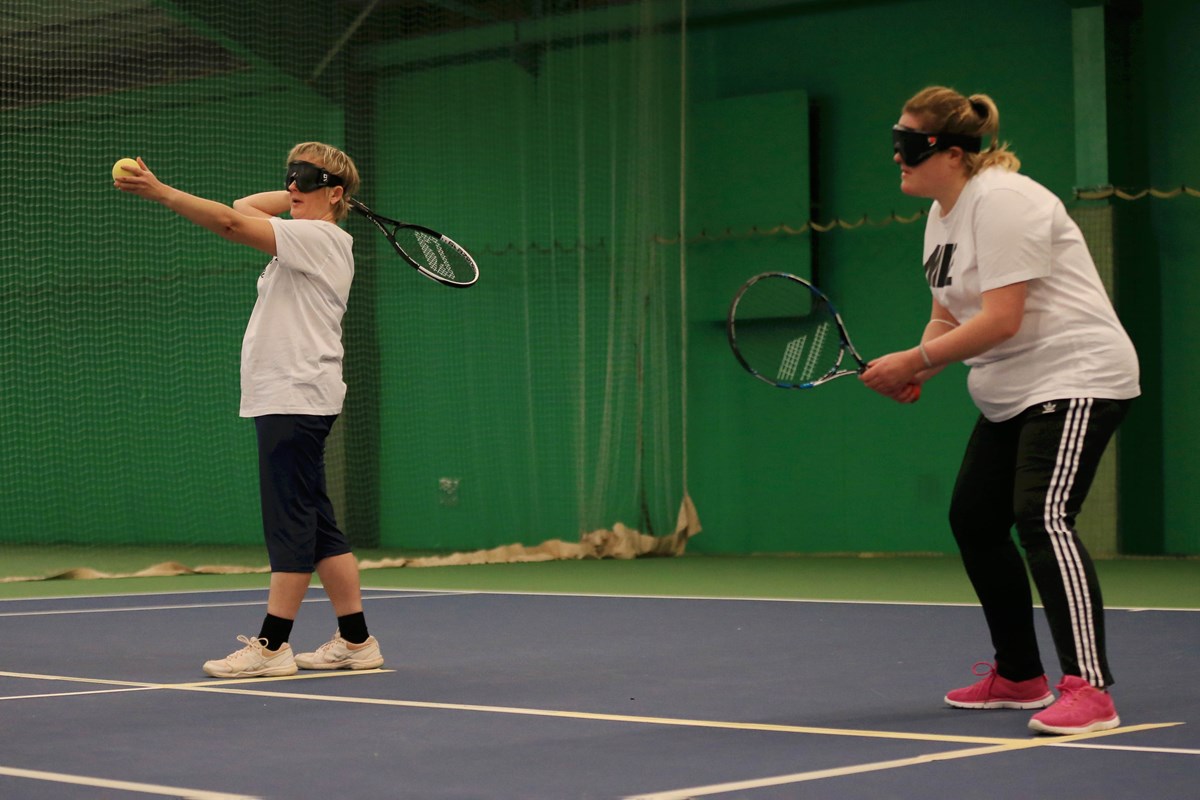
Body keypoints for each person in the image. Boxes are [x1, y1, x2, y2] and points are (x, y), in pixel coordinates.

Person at [861, 87, 1140, 735]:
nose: (896, 157)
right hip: (1015, 388)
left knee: (1041, 514)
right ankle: (1020, 676)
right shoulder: (940, 216)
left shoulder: (1004, 202)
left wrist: (912, 360)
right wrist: (919, 365)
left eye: (907, 144)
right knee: (974, 518)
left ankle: (1090, 688)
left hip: (1078, 375)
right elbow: (947, 316)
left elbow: (1003, 320)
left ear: (951, 153)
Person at [115, 143, 384, 677]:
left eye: (304, 181)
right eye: (290, 179)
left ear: (333, 194)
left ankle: (272, 645)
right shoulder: (311, 231)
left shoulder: (322, 238)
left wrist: (162, 191)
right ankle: (357, 642)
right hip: (294, 395)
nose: (291, 190)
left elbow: (233, 223)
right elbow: (247, 206)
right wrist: (306, 194)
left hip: (295, 396)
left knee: (290, 523)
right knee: (319, 526)